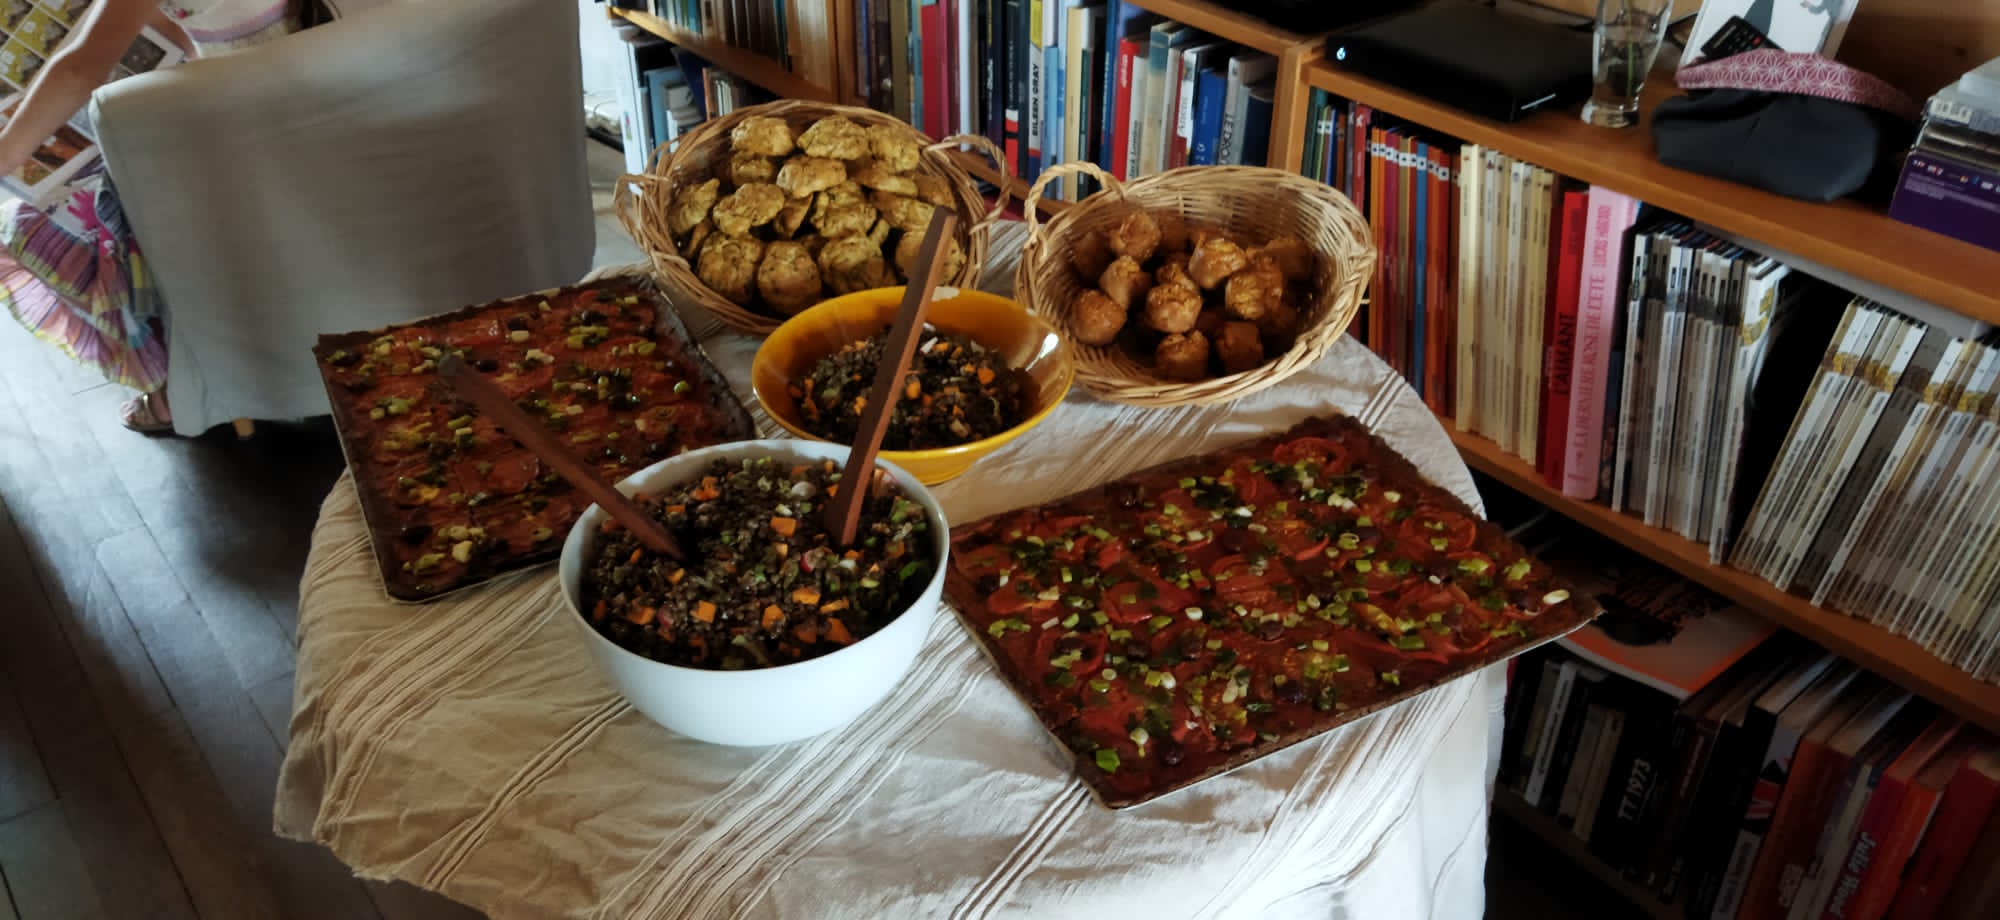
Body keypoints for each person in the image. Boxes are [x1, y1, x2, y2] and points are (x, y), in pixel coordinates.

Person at [0, 1, 307, 434]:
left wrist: (6, 153)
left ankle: (174, 382)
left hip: (239, 161)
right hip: (316, 117)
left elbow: (77, 71)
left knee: (27, 226)